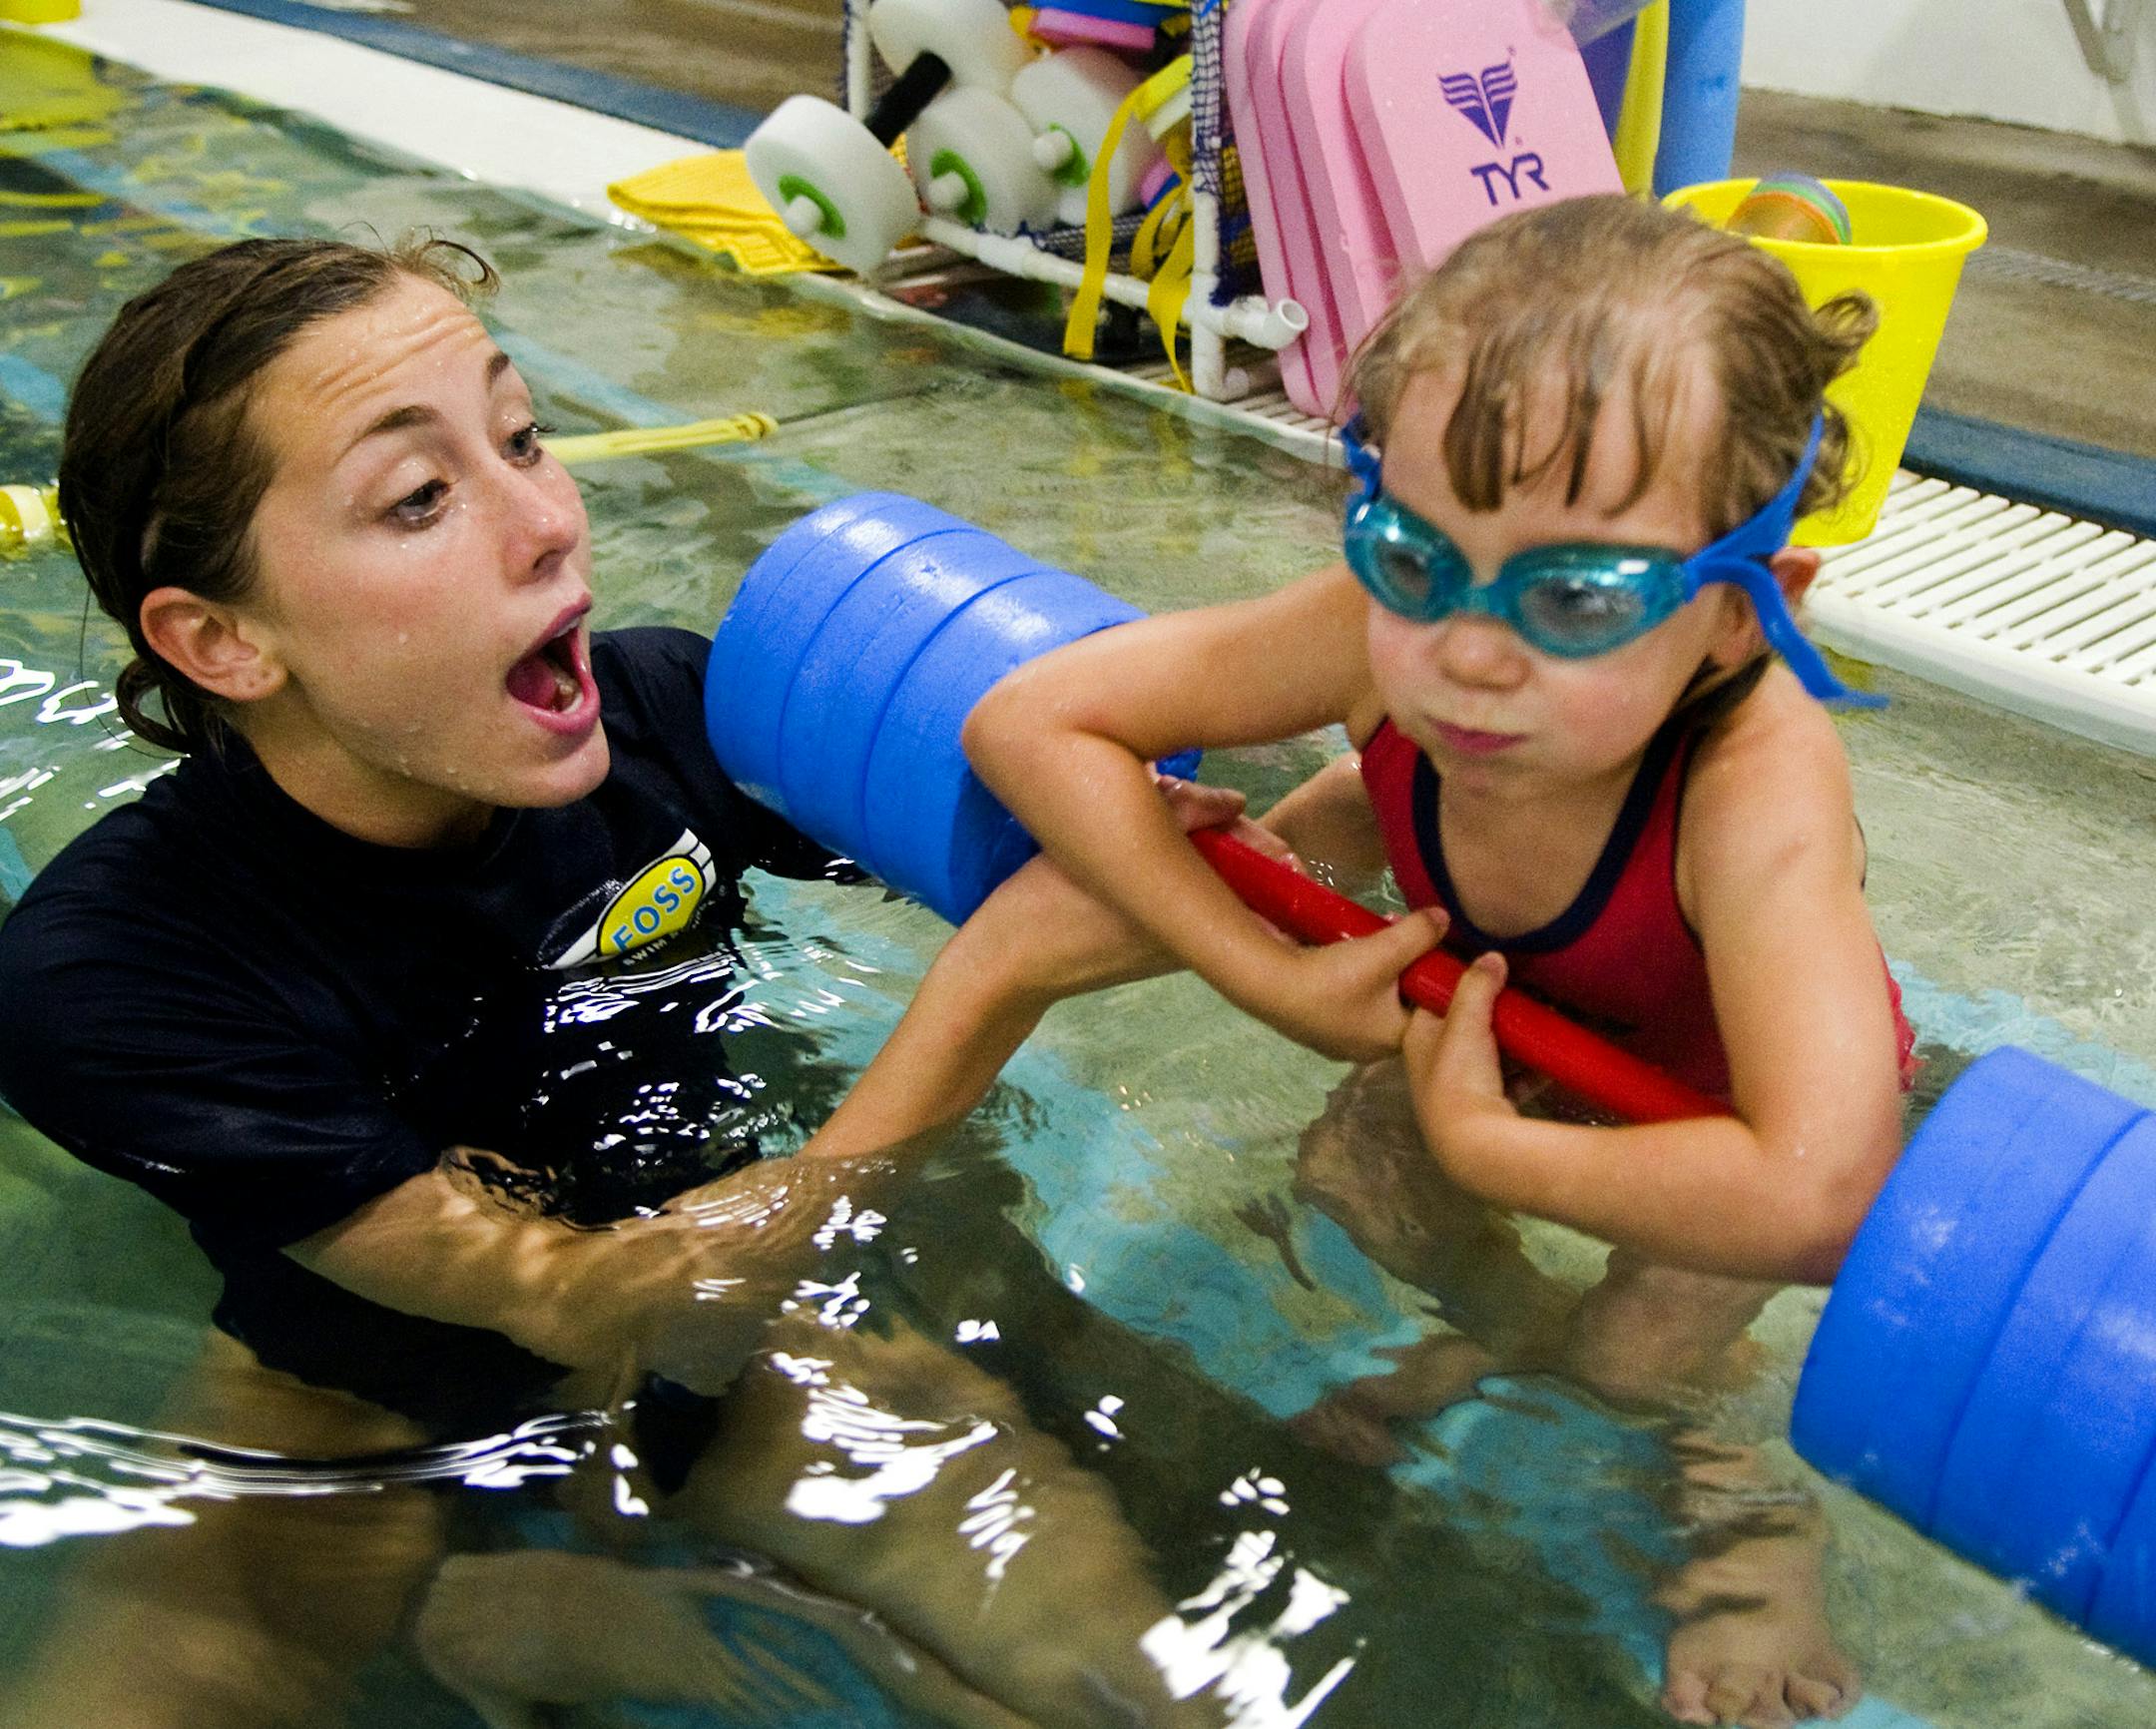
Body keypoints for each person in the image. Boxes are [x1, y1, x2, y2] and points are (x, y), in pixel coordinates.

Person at [0, 233, 1271, 1729]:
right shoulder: (114, 972)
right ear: (221, 639)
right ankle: (535, 1606)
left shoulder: (672, 712)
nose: (547, 521)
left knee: (1147, 1700)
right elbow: (591, 1308)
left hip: (749, 1345)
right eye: (421, 497)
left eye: (525, 436)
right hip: (351, 1417)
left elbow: (1089, 803)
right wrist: (991, 986)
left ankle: (572, 1609)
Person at [962, 195, 1917, 1729]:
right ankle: (1489, 1335)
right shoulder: (1392, 627)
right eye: (1412, 550)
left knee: (1627, 1362)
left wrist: (1490, 1145)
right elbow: (1028, 719)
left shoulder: (1758, 785)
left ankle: (1740, 1506)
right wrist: (1256, 964)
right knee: (1352, 1185)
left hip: (1712, 1115)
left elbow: (1818, 1186)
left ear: (1744, 615)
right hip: (1521, 1021)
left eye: (1579, 597)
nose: (1470, 651)